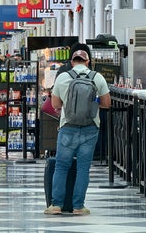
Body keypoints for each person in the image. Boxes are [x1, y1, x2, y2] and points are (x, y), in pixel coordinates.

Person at [44, 50, 111, 216]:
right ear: (88, 62)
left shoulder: (63, 77)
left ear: (72, 62)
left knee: (61, 167)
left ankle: (56, 206)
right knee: (83, 168)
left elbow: (55, 104)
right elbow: (107, 104)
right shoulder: (97, 77)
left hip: (68, 127)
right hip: (90, 128)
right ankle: (78, 206)